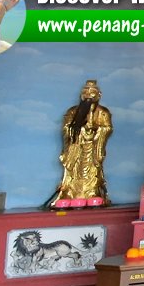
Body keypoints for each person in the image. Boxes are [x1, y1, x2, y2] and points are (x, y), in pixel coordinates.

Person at [48, 80, 113, 208]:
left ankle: (92, 193)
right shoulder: (73, 112)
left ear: (98, 95)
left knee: (93, 170)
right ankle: (70, 193)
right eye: (86, 92)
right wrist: (80, 130)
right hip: (77, 147)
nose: (89, 95)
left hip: (93, 148)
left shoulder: (102, 112)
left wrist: (96, 130)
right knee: (73, 170)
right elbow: (66, 128)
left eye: (92, 92)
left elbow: (108, 128)